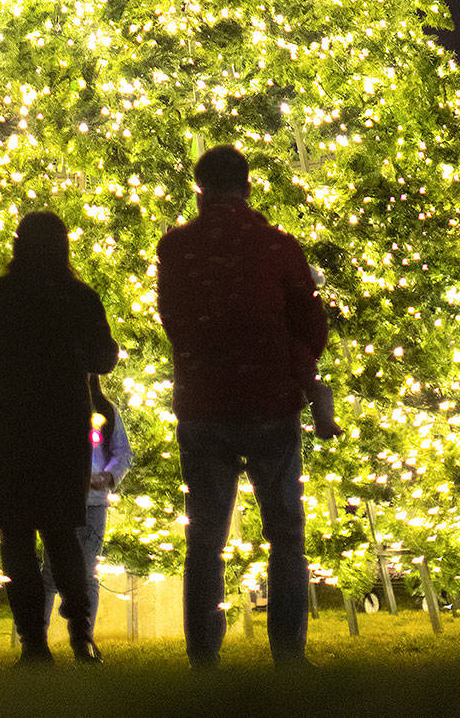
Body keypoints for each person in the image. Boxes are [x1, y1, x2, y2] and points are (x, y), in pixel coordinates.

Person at [156, 144, 330, 669]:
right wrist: (298, 370)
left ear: (200, 188)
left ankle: (204, 655)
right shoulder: (277, 247)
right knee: (285, 534)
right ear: (248, 185)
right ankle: (288, 654)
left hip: (203, 403)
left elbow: (172, 317)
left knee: (205, 535)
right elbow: (308, 321)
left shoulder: (177, 248)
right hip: (269, 402)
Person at [0, 211, 119, 666]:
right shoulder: (79, 297)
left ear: (18, 245)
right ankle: (82, 636)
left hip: (5, 424)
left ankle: (32, 643)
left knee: (16, 534)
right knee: (63, 531)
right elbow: (105, 358)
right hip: (62, 424)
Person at [41, 375, 133, 637]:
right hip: (59, 500)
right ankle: (40, 636)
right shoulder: (55, 407)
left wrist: (107, 476)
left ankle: (84, 636)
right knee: (51, 570)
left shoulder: (105, 410)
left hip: (93, 502)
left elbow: (122, 451)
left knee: (88, 570)